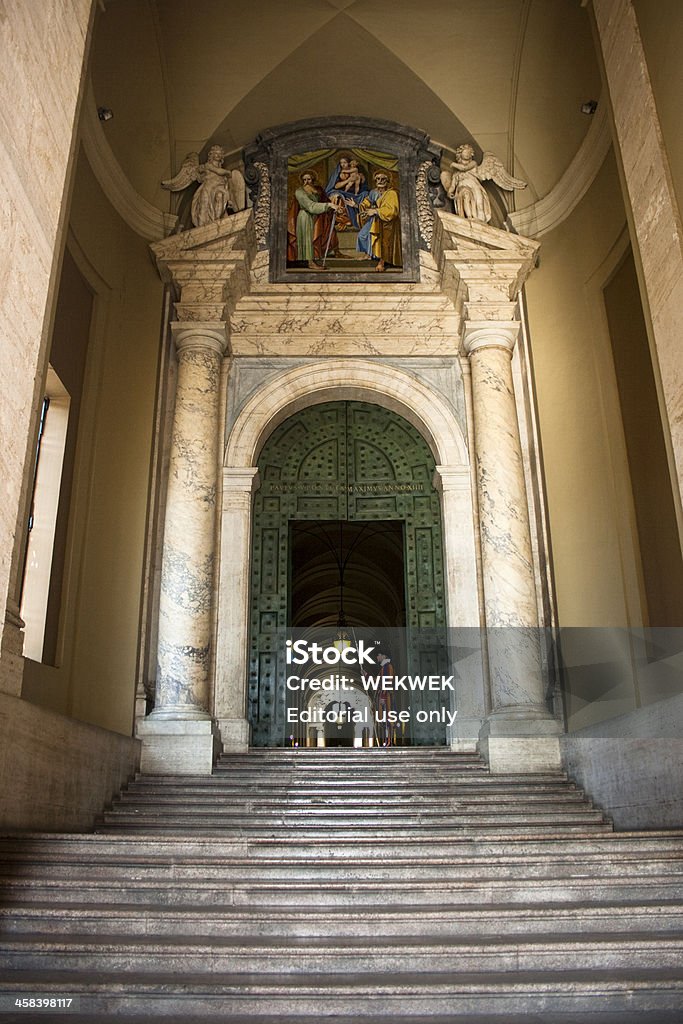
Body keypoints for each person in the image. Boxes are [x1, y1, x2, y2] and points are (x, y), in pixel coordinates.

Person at [287, 171, 341, 269]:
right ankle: (310, 263)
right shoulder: (300, 192)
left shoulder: (318, 190)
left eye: (309, 179)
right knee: (308, 239)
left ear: (313, 180)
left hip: (317, 217)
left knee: (314, 238)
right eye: (304, 180)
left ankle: (315, 259)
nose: (306, 182)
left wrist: (334, 201)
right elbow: (310, 206)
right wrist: (329, 205)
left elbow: (325, 200)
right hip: (305, 217)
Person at [352, 170, 401, 271]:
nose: (380, 181)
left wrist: (376, 211)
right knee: (363, 235)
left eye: (383, 179)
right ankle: (368, 255)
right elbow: (367, 202)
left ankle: (382, 262)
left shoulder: (392, 193)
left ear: (388, 181)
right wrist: (356, 205)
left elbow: (392, 211)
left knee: (384, 242)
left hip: (387, 223)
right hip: (375, 220)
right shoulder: (373, 192)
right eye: (378, 179)